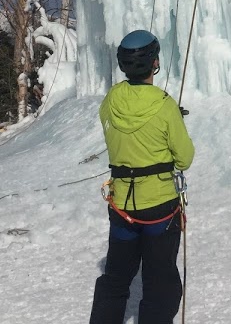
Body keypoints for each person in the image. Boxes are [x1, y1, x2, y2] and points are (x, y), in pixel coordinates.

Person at [89, 29, 195, 324]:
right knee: (160, 282)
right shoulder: (164, 104)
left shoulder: (111, 100)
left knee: (116, 278)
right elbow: (184, 158)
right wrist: (170, 122)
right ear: (155, 63)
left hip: (122, 205)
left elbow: (121, 128)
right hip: (160, 208)